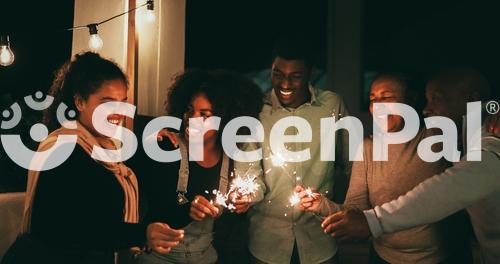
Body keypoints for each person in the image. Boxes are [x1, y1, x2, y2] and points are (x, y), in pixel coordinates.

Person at [1, 52, 184, 264]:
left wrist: (158, 133)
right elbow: (68, 228)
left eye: (122, 102)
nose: (118, 112)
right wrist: (142, 233)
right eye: (107, 103)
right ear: (80, 101)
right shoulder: (63, 150)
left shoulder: (107, 151)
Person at [321, 68, 500, 263]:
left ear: (410, 100)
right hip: (384, 258)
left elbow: (448, 188)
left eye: (387, 97)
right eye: (373, 99)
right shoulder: (367, 147)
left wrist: (495, 106)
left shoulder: (440, 138)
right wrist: (322, 205)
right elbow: (356, 209)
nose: (426, 108)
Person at [232, 34, 351, 264]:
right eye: (278, 74)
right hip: (267, 242)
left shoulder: (332, 105)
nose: (285, 84)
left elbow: (352, 163)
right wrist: (247, 195)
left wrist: (348, 210)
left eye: (295, 77)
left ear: (310, 74)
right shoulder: (257, 109)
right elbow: (249, 173)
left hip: (320, 239)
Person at [133, 69, 263, 264]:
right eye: (189, 110)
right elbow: (156, 204)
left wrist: (245, 201)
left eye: (204, 114)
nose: (191, 119)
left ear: (224, 120)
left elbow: (254, 189)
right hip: (158, 258)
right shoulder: (167, 146)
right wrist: (149, 129)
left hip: (206, 258)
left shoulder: (233, 158)